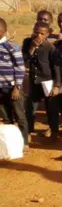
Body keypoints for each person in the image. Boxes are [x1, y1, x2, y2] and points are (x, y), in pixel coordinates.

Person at [22, 22, 62, 139]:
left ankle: (54, 132)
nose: (39, 36)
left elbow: (57, 68)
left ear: (47, 34)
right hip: (35, 81)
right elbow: (24, 59)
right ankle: (28, 132)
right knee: (30, 108)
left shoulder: (51, 48)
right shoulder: (27, 43)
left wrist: (57, 85)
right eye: (36, 32)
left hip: (48, 81)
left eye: (42, 34)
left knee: (52, 108)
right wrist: (32, 47)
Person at [0, 18, 28, 148]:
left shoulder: (12, 47)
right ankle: (11, 145)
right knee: (6, 118)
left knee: (19, 116)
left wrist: (17, 87)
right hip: (0, 88)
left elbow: (20, 68)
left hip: (12, 88)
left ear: (5, 31)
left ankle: (24, 143)